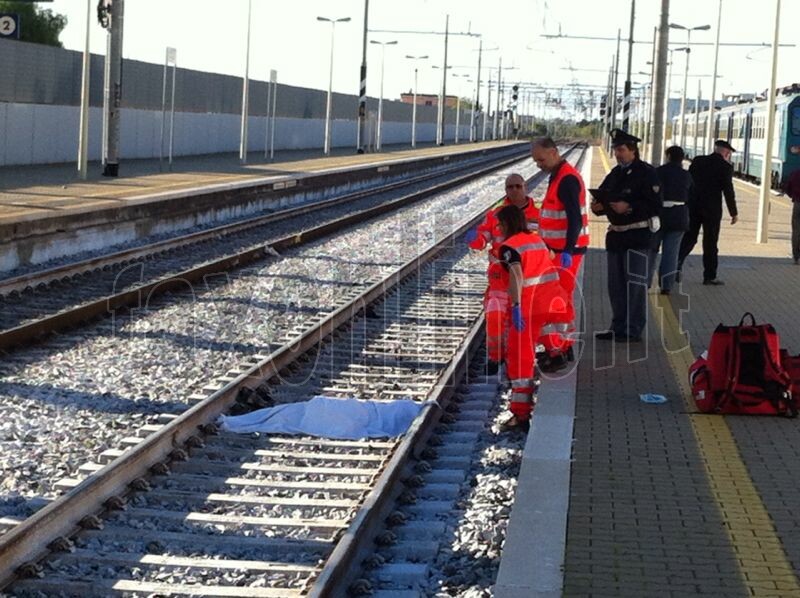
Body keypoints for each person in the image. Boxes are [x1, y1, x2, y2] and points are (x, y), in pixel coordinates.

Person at [495, 204, 565, 431]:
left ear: (506, 224)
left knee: (519, 359)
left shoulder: (508, 247)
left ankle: (520, 414)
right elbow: (551, 256)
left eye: (499, 225)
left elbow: (516, 273)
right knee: (545, 329)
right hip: (551, 301)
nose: (498, 228)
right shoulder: (536, 240)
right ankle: (558, 353)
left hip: (528, 307)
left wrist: (515, 305)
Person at [591, 129, 662, 342]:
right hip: (617, 238)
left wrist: (629, 207)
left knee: (636, 286)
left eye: (621, 150)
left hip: (639, 237)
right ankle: (617, 326)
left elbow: (655, 205)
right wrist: (598, 206)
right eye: (615, 150)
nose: (617, 154)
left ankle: (633, 329)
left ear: (633, 151)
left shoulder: (647, 173)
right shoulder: (616, 174)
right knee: (616, 286)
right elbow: (604, 193)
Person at [466, 173, 540, 374]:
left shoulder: (538, 214)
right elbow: (484, 238)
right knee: (495, 317)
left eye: (518, 186)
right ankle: (494, 358)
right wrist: (475, 239)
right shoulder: (495, 214)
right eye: (510, 187)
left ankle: (517, 361)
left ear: (525, 187)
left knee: (520, 327)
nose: (514, 190)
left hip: (526, 280)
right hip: (500, 279)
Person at [530, 136, 589, 371]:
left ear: (554, 152)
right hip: (557, 251)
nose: (539, 165)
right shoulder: (559, 175)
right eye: (536, 161)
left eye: (541, 160)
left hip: (565, 252)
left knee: (556, 302)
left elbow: (574, 218)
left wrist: (566, 249)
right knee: (559, 301)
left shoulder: (567, 180)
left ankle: (558, 352)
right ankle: (562, 348)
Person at [677, 139, 738, 285]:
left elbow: (688, 182)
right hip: (712, 210)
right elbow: (728, 191)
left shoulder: (698, 161)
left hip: (693, 206)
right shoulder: (725, 167)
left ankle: (675, 267)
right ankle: (709, 276)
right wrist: (733, 212)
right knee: (710, 242)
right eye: (728, 153)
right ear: (726, 152)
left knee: (688, 238)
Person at [650, 146, 692, 294]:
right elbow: (691, 196)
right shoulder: (686, 175)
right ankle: (666, 286)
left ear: (667, 156)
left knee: (652, 250)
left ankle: (647, 282)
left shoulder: (657, 172)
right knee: (671, 253)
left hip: (658, 215)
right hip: (679, 215)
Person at [780, 167, 800, 264]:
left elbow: (787, 188)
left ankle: (796, 256)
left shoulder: (795, 173)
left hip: (797, 204)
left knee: (796, 231)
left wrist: (794, 196)